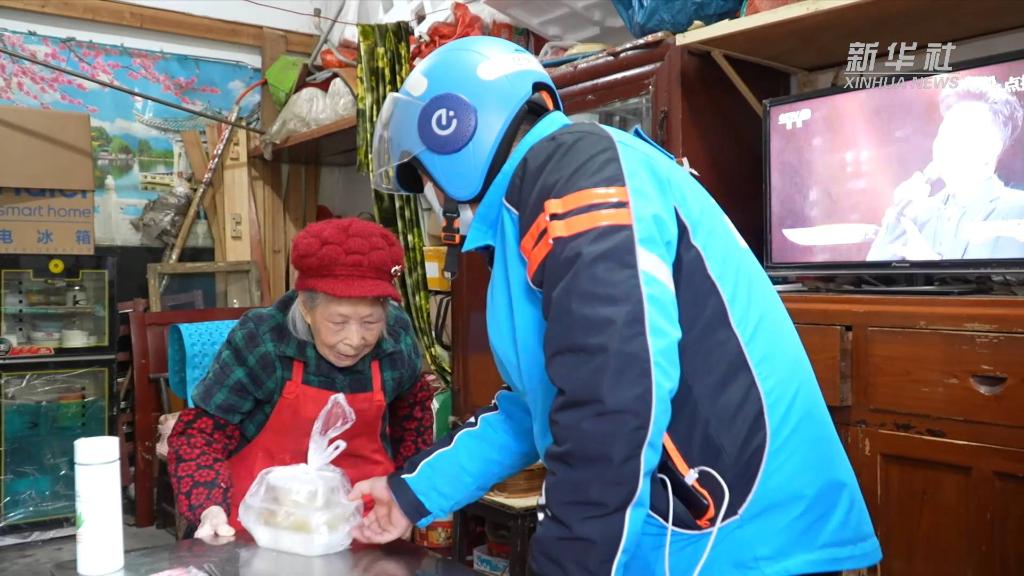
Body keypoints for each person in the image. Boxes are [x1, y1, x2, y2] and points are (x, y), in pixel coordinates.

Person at [351, 36, 882, 575]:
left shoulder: (575, 172)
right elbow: (535, 408)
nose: (433, 198)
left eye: (425, 178)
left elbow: (612, 396)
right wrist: (411, 494)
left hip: (739, 541)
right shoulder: (538, 200)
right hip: (696, 533)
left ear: (457, 133)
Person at [167, 217, 432, 541]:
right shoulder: (263, 341)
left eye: (370, 322)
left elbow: (414, 417)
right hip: (260, 528)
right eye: (338, 322)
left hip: (363, 527)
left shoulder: (396, 338)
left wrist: (406, 497)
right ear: (305, 307)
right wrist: (209, 507)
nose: (354, 340)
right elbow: (200, 434)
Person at [867, 76, 1024, 261]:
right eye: (944, 132)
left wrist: (932, 267)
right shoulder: (917, 212)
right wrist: (898, 213)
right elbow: (870, 274)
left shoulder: (1017, 209)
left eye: (960, 133)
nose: (945, 143)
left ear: (993, 146)